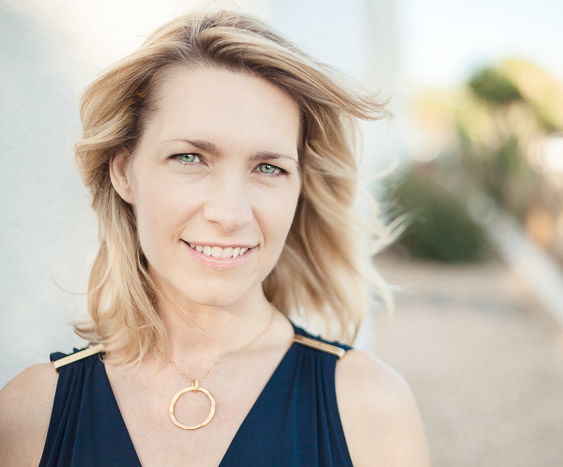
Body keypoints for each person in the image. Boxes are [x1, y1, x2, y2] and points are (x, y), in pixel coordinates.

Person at [0, 8, 430, 467]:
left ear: (299, 187)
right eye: (190, 158)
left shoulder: (371, 406)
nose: (229, 214)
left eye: (269, 168)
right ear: (125, 172)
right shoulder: (30, 412)